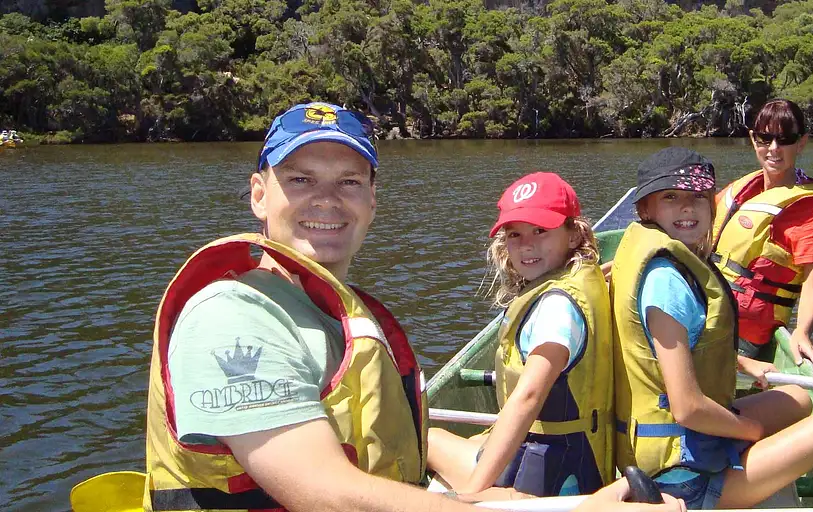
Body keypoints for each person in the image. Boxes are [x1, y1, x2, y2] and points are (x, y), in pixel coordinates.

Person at [143, 101, 680, 512]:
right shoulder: (234, 315)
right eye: (301, 179)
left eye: (349, 181)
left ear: (372, 201)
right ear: (259, 194)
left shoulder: (336, 310)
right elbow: (325, 493)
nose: (327, 199)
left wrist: (577, 504)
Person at [610, 147, 813, 509]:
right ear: (646, 208)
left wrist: (745, 364)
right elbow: (687, 409)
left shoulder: (652, 255)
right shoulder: (668, 283)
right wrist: (752, 433)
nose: (687, 207)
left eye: (698, 197)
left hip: (678, 440)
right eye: (671, 197)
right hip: (682, 477)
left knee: (799, 398)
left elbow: (682, 351)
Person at [427, 172, 615, 498]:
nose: (526, 245)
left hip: (546, 477)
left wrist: (471, 493)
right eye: (514, 234)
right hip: (580, 456)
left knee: (426, 440)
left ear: (573, 235)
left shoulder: (556, 308)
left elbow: (528, 398)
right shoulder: (584, 277)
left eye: (540, 231)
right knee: (454, 441)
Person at [711, 99, 813, 369]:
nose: (773, 148)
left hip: (741, 338)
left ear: (801, 143)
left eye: (784, 139)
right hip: (704, 309)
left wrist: (802, 331)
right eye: (764, 138)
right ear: (752, 139)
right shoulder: (745, 186)